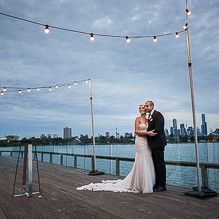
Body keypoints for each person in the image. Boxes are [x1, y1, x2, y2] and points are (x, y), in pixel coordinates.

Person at [76, 105, 157, 193]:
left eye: (142, 108)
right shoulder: (137, 119)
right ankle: (141, 184)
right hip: (140, 141)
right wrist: (148, 133)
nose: (141, 109)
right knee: (141, 159)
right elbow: (136, 131)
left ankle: (148, 182)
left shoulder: (149, 119)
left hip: (147, 142)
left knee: (148, 159)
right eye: (139, 108)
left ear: (146, 109)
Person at [145, 101, 167, 192]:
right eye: (145, 106)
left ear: (152, 106)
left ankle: (162, 185)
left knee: (160, 164)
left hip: (158, 143)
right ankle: (157, 183)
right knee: (155, 164)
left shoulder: (158, 115)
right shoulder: (150, 116)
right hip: (153, 144)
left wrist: (147, 134)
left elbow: (158, 128)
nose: (146, 108)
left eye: (147, 106)